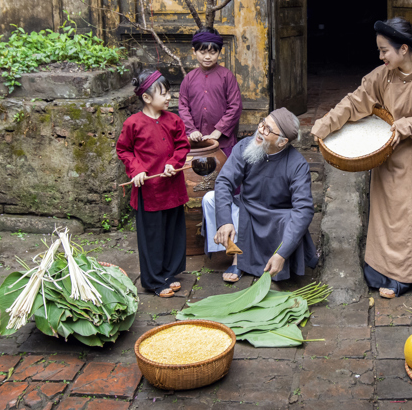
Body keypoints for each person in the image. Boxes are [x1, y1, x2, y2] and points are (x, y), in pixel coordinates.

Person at [311, 18, 412, 299]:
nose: (380, 56)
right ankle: (383, 268)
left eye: (384, 51)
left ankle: (408, 274)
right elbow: (355, 102)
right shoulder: (382, 76)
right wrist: (326, 124)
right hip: (388, 154)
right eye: (379, 51)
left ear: (404, 49)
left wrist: (408, 125)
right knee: (389, 214)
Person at [202, 108, 319, 283]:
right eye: (262, 123)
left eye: (268, 130)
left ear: (282, 142)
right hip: (246, 208)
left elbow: (304, 210)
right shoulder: (245, 145)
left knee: (292, 220)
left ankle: (276, 261)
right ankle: (235, 257)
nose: (260, 130)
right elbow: (224, 181)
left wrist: (282, 253)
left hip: (276, 216)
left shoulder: (297, 165)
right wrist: (225, 220)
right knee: (210, 199)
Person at [116, 70, 191, 298]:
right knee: (152, 236)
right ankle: (154, 280)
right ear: (147, 98)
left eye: (169, 92)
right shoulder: (133, 123)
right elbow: (124, 150)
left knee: (173, 232)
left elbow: (182, 146)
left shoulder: (174, 120)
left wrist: (173, 162)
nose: (169, 97)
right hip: (149, 191)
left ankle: (169, 273)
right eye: (164, 93)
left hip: (172, 187)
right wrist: (136, 169)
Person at [178, 27, 243, 157]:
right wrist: (191, 131)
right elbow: (183, 107)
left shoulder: (227, 76)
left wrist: (218, 131)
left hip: (223, 141)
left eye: (213, 52)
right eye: (202, 52)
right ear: (194, 51)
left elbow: (235, 106)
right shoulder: (189, 78)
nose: (207, 57)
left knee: (224, 172)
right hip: (196, 141)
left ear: (219, 52)